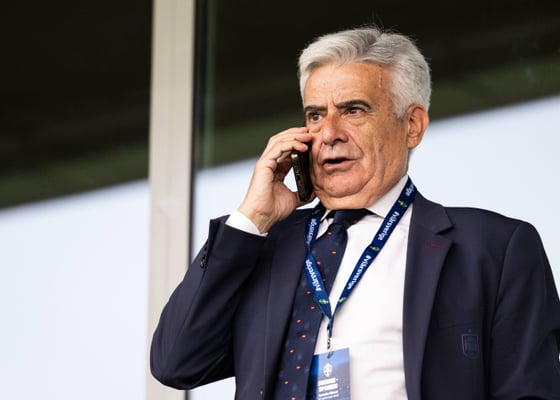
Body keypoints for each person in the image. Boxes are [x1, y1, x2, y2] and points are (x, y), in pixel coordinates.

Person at [150, 25, 560, 400]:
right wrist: (251, 218)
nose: (329, 133)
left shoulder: (494, 247)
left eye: (353, 110)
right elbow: (177, 363)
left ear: (412, 125)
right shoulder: (264, 246)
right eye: (315, 115)